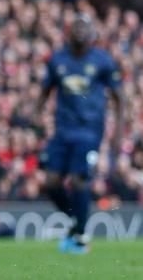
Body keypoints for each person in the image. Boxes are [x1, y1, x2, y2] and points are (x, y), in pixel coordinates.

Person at [41, 14, 123, 255]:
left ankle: (80, 237)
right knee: (50, 182)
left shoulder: (102, 60)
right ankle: (75, 221)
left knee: (79, 179)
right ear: (68, 31)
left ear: (91, 34)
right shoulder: (57, 59)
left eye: (84, 27)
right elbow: (45, 90)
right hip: (62, 130)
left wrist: (117, 134)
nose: (80, 30)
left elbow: (119, 98)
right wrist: (36, 114)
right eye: (76, 26)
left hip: (89, 130)